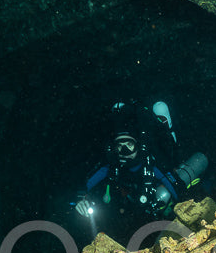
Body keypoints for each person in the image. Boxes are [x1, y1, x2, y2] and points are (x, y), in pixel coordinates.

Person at [73, 100, 207, 244]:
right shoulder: (111, 168)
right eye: (120, 145)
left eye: (129, 144)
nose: (124, 151)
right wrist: (80, 200)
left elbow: (176, 190)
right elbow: (84, 185)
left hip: (152, 216)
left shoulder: (150, 166)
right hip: (127, 218)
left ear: (138, 146)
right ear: (115, 149)